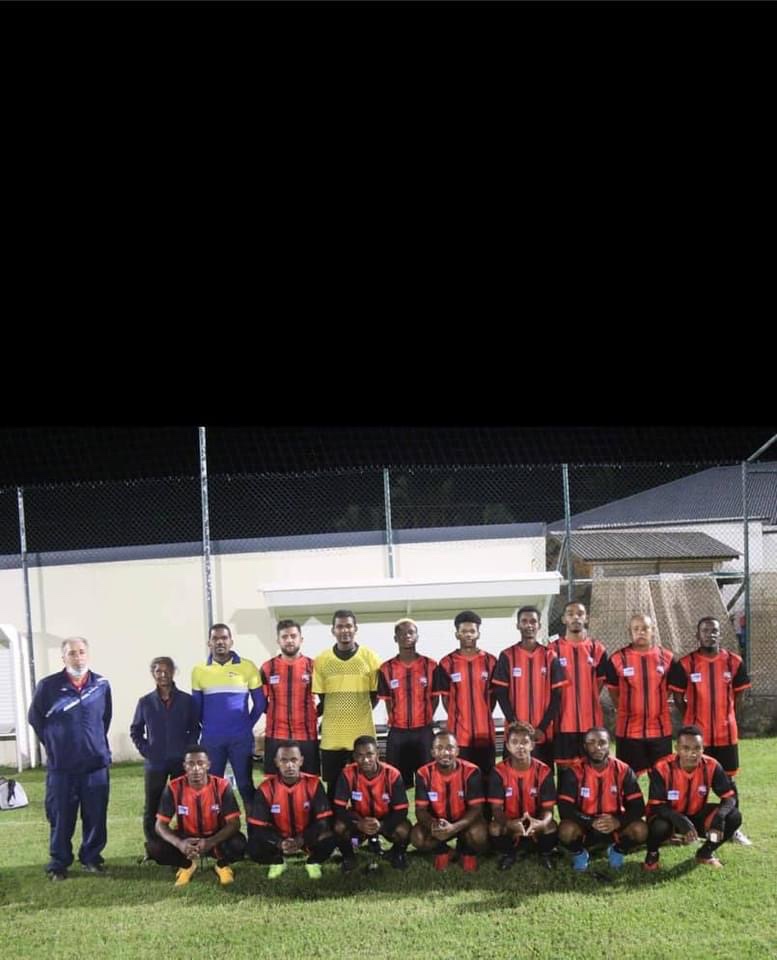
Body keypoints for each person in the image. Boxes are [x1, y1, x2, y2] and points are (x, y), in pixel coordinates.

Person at [28, 637, 112, 881]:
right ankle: (59, 862)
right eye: (72, 653)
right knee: (61, 816)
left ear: (88, 655)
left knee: (96, 815)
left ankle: (91, 858)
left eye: (81, 652)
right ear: (63, 657)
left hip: (95, 765)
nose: (78, 657)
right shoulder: (48, 686)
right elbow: (35, 719)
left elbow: (104, 719)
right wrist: (54, 744)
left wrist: (93, 742)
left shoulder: (101, 685)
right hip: (62, 768)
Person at [668, 616, 752, 845]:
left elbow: (740, 695)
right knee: (687, 780)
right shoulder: (686, 664)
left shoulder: (734, 662)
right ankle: (681, 826)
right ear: (698, 635)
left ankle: (733, 829)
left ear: (720, 634)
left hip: (726, 734)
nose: (710, 634)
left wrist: (728, 716)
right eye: (705, 630)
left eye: (714, 630)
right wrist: (692, 720)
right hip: (698, 739)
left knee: (729, 782)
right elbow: (678, 698)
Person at [643, 724, 742, 871]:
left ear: (703, 749)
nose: (692, 753)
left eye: (697, 748)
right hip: (669, 818)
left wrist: (719, 817)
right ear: (677, 749)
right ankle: (652, 854)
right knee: (660, 826)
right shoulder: (662, 767)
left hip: (697, 815)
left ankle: (705, 852)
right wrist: (680, 820)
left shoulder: (712, 765)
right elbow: (656, 805)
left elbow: (730, 797)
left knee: (733, 817)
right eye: (686, 748)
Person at [191, 622, 265, 810]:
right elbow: (196, 708)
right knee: (212, 787)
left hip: (240, 739)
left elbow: (260, 704)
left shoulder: (248, 667)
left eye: (224, 638)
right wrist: (210, 727)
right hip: (212, 740)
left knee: (245, 785)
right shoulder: (199, 670)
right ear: (209, 643)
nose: (220, 642)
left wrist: (246, 726)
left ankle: (254, 827)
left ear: (231, 641)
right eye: (215, 638)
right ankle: (217, 827)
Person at [148, 745, 246, 887]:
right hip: (186, 838)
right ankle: (187, 865)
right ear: (185, 766)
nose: (196, 768)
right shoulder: (174, 787)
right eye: (191, 764)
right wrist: (180, 843)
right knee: (154, 848)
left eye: (200, 763)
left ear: (208, 765)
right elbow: (160, 825)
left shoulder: (222, 786)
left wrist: (210, 842)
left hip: (215, 838)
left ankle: (222, 865)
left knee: (239, 844)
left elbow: (234, 823)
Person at [130, 656, 200, 850]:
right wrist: (147, 750)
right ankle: (154, 847)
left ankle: (185, 843)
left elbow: (195, 728)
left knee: (183, 804)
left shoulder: (186, 700)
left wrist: (187, 750)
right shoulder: (145, 702)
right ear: (153, 674)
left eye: (166, 670)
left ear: (173, 671)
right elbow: (135, 730)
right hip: (156, 763)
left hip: (180, 761)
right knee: (152, 805)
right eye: (158, 671)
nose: (162, 674)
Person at [312, 610, 381, 802]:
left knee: (366, 788)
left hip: (362, 735)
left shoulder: (370, 657)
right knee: (334, 790)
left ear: (355, 629)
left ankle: (367, 823)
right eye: (340, 626)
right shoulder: (322, 660)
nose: (345, 630)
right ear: (333, 630)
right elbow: (323, 698)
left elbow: (375, 696)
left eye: (349, 626)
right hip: (332, 737)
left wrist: (358, 711)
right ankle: (336, 822)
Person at [557, 726, 647, 871]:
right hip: (585, 826)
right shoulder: (574, 771)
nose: (597, 747)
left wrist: (618, 821)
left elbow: (639, 806)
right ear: (585, 746)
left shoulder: (623, 770)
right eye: (591, 743)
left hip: (615, 826)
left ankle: (617, 850)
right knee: (565, 830)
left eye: (602, 742)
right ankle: (579, 854)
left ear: (609, 744)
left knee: (641, 829)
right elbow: (564, 808)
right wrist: (590, 821)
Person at [247, 740, 337, 880]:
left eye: (294, 760)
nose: (289, 765)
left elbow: (323, 820)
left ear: (301, 761)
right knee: (253, 846)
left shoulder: (313, 784)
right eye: (284, 760)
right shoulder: (266, 788)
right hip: (279, 839)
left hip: (307, 837)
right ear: (276, 762)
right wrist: (279, 842)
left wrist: (301, 839)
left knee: (329, 838)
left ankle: (313, 862)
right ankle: (277, 861)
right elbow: (257, 826)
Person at [492, 606, 568, 768]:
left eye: (533, 621)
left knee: (543, 775)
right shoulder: (507, 655)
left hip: (542, 733)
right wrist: (514, 724)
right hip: (514, 732)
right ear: (518, 625)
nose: (529, 625)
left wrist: (542, 727)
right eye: (524, 621)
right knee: (511, 775)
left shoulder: (550, 656)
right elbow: (500, 693)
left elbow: (557, 695)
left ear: (539, 625)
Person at [605, 614, 674, 775]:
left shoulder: (668, 658)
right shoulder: (617, 658)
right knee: (628, 778)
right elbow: (613, 691)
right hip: (628, 730)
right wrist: (625, 709)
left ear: (652, 630)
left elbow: (670, 689)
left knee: (662, 777)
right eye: (636, 629)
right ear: (630, 632)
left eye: (645, 628)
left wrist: (656, 705)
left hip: (660, 730)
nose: (641, 632)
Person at [410, 731, 488, 872]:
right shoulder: (423, 773)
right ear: (432, 752)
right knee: (417, 837)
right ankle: (445, 851)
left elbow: (476, 808)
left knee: (479, 834)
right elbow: (420, 810)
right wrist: (434, 825)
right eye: (439, 748)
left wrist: (454, 827)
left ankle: (466, 850)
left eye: (450, 748)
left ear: (457, 751)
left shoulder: (471, 771)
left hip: (464, 823)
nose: (445, 752)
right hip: (438, 823)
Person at [433, 610, 497, 779]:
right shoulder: (446, 663)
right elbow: (445, 699)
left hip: (485, 734)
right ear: (457, 634)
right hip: (458, 736)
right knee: (462, 782)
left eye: (472, 631)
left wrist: (482, 714)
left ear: (478, 633)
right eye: (464, 631)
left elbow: (493, 697)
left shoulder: (491, 661)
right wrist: (459, 718)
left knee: (486, 780)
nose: (468, 635)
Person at [333, 735, 412, 871]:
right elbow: (339, 808)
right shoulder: (347, 774)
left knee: (404, 829)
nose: (365, 760)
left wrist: (382, 825)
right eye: (360, 755)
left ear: (377, 754)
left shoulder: (392, 774)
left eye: (369, 754)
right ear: (354, 756)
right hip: (359, 818)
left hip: (385, 818)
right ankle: (348, 856)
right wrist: (358, 823)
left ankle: (397, 853)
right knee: (339, 826)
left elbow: (402, 810)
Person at [487, 721, 558, 870]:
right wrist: (509, 824)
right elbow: (496, 809)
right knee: (494, 827)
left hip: (535, 823)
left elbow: (548, 809)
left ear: (532, 745)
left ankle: (544, 853)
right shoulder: (498, 771)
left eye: (525, 742)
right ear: (507, 746)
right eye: (515, 742)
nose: (520, 746)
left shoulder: (544, 771)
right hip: (511, 823)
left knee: (550, 826)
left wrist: (541, 823)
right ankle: (509, 854)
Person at [377, 618, 438, 788]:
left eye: (411, 632)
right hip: (398, 733)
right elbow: (387, 701)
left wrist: (426, 718)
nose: (407, 636)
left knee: (428, 780)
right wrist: (395, 720)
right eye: (401, 633)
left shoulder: (431, 665)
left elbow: (435, 698)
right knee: (396, 782)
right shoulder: (386, 668)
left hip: (424, 731)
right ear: (395, 638)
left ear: (417, 636)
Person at [548, 602, 609, 768]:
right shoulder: (552, 650)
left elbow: (599, 684)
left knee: (591, 770)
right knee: (565, 772)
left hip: (591, 724)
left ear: (586, 618)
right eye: (570, 614)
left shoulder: (598, 649)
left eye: (580, 613)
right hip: (562, 723)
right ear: (563, 619)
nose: (575, 617)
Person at [260, 619, 319, 778]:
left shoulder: (313, 666)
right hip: (276, 734)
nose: (289, 640)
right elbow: (261, 701)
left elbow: (325, 699)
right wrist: (275, 714)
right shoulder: (267, 667)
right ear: (278, 640)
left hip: (306, 734)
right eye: (284, 637)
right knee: (274, 781)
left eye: (293, 636)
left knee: (309, 781)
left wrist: (312, 714)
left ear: (301, 639)